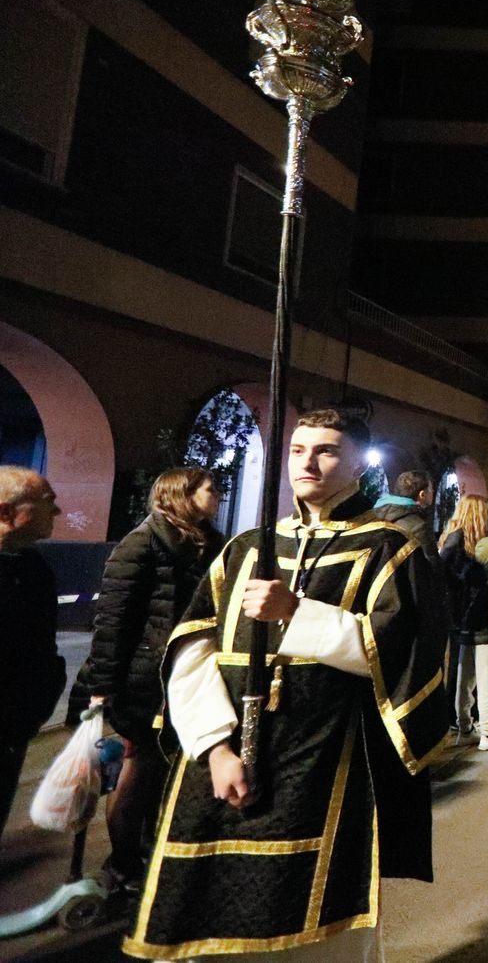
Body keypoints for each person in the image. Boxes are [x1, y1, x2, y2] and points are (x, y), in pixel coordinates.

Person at [122, 410, 449, 960]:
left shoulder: (389, 548)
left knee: (322, 923)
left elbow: (401, 654)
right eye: (298, 450)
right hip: (223, 760)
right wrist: (212, 746)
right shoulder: (247, 547)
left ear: (356, 466)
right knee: (206, 914)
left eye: (326, 451)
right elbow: (193, 649)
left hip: (327, 758)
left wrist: (297, 613)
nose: (309, 462)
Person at [74, 468, 224, 894]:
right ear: (182, 494)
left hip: (188, 676)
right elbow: (113, 621)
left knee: (164, 774)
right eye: (210, 489)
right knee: (139, 772)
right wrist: (103, 684)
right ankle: (122, 864)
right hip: (144, 681)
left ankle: (150, 853)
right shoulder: (142, 543)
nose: (218, 495)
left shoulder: (209, 543)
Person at [0, 466, 65, 857]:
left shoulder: (34, 568)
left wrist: (40, 696)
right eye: (47, 503)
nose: (56, 513)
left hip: (13, 724)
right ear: (6, 513)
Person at [439, 494, 488, 750]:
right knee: (486, 682)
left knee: (464, 681)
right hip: (484, 634)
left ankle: (465, 725)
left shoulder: (462, 561)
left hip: (463, 630)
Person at [374, 469, 436, 559]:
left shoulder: (373, 515)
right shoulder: (420, 527)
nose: (433, 491)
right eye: (431, 489)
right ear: (422, 495)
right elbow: (434, 566)